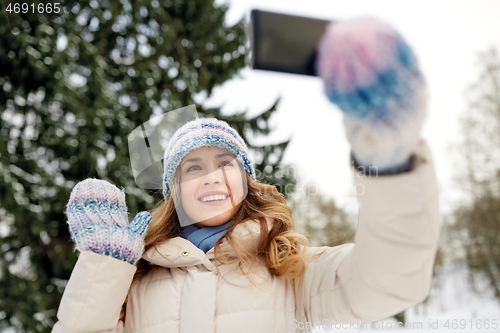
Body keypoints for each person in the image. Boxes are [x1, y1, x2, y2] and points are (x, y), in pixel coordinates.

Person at [51, 16, 441, 333]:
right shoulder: (133, 281)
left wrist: (390, 161)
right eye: (193, 167)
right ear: (173, 192)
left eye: (225, 163)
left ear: (246, 182)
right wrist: (105, 265)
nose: (211, 177)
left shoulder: (290, 269)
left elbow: (388, 283)